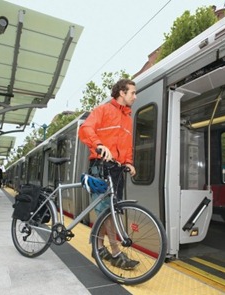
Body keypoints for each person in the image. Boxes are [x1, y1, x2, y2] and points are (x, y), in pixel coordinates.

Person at [79, 78, 139, 270]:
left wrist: (128, 162)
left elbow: (127, 145)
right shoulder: (103, 110)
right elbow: (85, 128)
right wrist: (98, 145)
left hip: (118, 168)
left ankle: (97, 246)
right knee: (107, 211)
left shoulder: (128, 119)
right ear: (122, 92)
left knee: (112, 210)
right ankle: (115, 252)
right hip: (101, 164)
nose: (135, 97)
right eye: (132, 93)